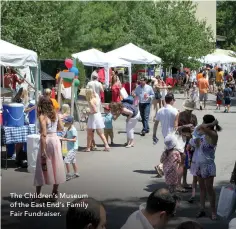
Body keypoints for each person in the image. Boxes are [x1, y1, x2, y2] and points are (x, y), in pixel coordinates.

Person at [34, 96, 66, 200]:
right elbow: (61, 128)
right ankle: (54, 193)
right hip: (55, 140)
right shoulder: (55, 115)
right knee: (56, 164)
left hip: (47, 140)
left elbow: (43, 134)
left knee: (42, 165)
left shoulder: (42, 116)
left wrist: (43, 150)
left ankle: (38, 196)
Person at [192, 115, 222, 220]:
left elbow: (201, 127)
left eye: (204, 122)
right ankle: (202, 209)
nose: (202, 124)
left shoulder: (213, 134)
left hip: (208, 165)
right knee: (202, 189)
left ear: (207, 124)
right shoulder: (203, 134)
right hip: (200, 165)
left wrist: (211, 125)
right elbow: (196, 129)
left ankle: (213, 211)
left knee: (209, 189)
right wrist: (211, 123)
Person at [176, 100, 197, 192]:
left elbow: (195, 129)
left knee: (188, 163)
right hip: (181, 140)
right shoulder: (180, 115)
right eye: (188, 110)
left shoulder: (194, 117)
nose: (190, 111)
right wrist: (185, 126)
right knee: (181, 163)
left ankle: (184, 181)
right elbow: (176, 128)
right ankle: (179, 183)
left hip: (190, 141)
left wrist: (193, 130)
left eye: (191, 110)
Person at [60, 116, 80, 181]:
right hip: (70, 147)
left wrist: (66, 139)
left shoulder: (73, 130)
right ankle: (76, 173)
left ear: (70, 123)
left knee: (66, 160)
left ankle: (68, 174)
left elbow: (74, 139)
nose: (64, 124)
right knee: (73, 161)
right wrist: (60, 138)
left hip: (73, 148)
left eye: (66, 122)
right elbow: (65, 136)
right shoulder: (68, 129)